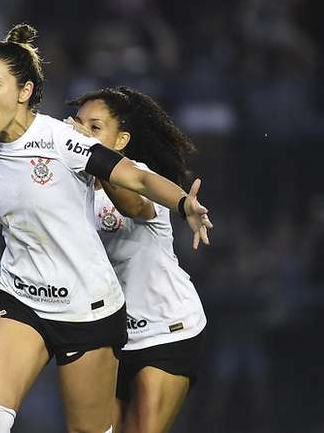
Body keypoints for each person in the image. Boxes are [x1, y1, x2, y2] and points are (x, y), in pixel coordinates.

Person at [0, 24, 212, 433]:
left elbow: (136, 192)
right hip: (28, 296)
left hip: (146, 325)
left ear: (24, 91)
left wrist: (184, 201)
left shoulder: (72, 150)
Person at [71, 87, 207, 433]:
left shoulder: (143, 177)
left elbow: (133, 206)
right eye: (78, 123)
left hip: (166, 328)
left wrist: (92, 156)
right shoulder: (68, 186)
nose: (82, 132)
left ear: (121, 140)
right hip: (110, 336)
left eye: (95, 127)